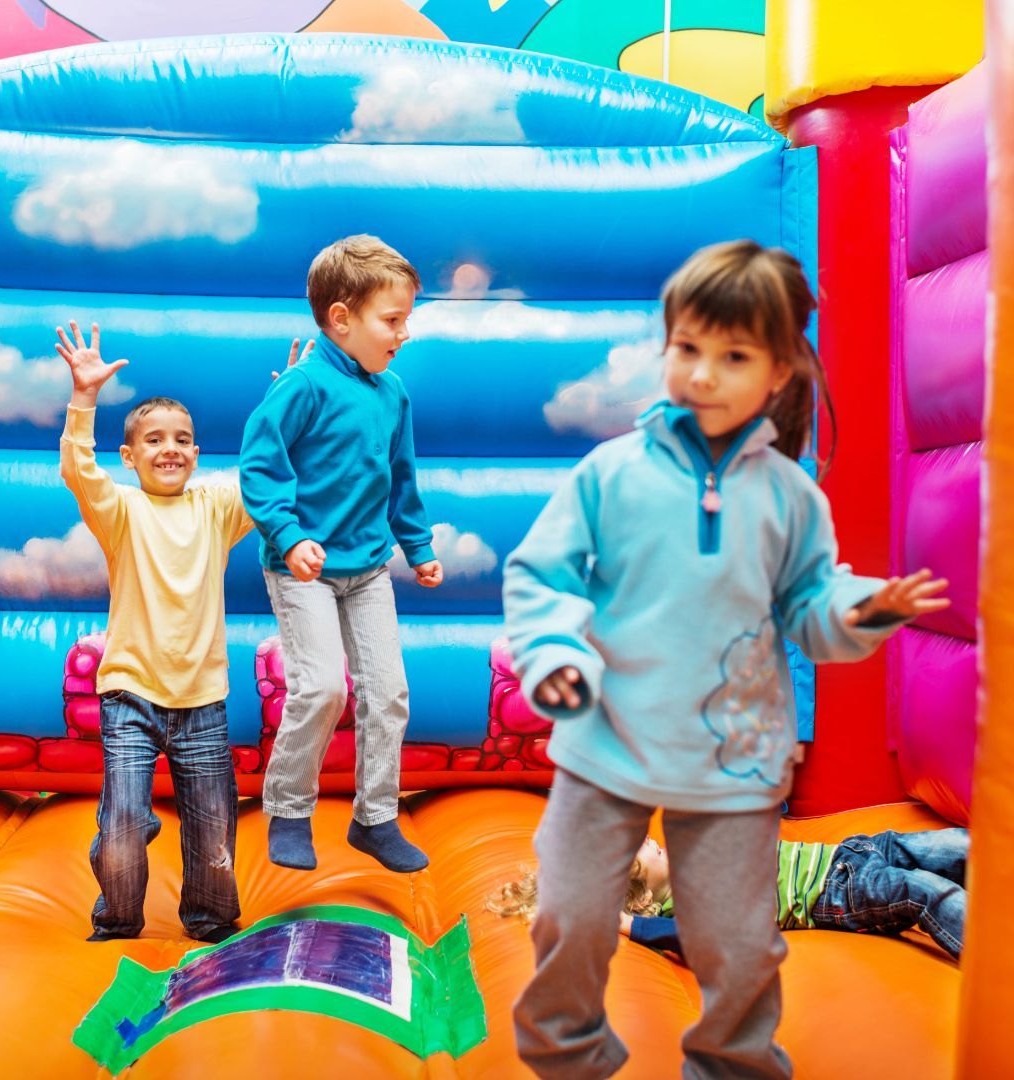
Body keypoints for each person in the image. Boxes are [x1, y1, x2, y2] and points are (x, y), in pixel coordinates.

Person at [501, 239, 951, 1080]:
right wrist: (555, 647)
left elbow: (812, 609)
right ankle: (569, 1054)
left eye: (733, 356)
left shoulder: (787, 498)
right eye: (687, 349)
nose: (703, 373)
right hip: (609, 742)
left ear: (777, 373)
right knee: (567, 915)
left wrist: (865, 608)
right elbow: (540, 571)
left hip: (733, 755)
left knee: (740, 943)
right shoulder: (613, 475)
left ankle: (732, 1067)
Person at [239, 235, 443, 875]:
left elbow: (400, 476)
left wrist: (418, 546)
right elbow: (260, 463)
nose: (403, 333)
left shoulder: (393, 393)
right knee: (323, 686)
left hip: (370, 569)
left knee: (389, 693)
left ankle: (375, 817)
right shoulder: (304, 385)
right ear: (341, 318)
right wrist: (289, 535)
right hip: (305, 571)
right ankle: (289, 809)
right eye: (393, 320)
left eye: (406, 319)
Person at [57, 319, 256, 943]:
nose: (170, 448)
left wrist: (290, 405)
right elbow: (78, 472)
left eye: (183, 439)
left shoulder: (217, 508)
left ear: (197, 454)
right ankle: (117, 922)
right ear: (131, 455)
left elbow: (273, 481)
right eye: (154, 439)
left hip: (202, 702)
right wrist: (84, 398)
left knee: (213, 831)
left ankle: (210, 920)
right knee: (122, 825)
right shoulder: (121, 510)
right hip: (130, 697)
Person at [488, 828, 968, 962]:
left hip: (851, 851)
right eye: (640, 847)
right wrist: (631, 927)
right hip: (838, 891)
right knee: (927, 893)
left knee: (961, 844)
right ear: (635, 890)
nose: (649, 837)